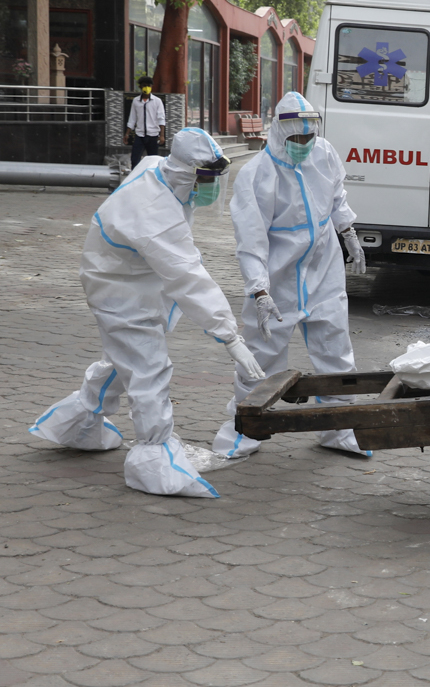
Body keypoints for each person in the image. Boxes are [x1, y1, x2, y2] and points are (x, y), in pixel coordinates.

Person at [32, 129, 265, 498]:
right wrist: (230, 337)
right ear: (186, 173)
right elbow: (190, 278)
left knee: (121, 360)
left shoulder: (159, 167)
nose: (211, 188)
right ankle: (154, 461)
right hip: (118, 289)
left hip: (127, 276)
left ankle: (77, 424)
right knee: (148, 367)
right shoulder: (155, 212)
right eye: (205, 179)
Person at [212, 92, 370, 458]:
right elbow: (251, 240)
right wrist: (259, 290)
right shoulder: (257, 174)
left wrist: (347, 232)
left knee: (336, 349)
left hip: (323, 268)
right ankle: (246, 427)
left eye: (308, 138)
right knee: (262, 355)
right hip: (278, 275)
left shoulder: (324, 154)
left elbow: (336, 198)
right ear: (279, 133)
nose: (303, 145)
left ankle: (339, 427)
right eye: (296, 139)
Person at [124, 76, 166, 168]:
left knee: (153, 161)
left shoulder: (157, 101)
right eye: (144, 85)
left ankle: (152, 179)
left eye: (149, 85)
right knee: (135, 159)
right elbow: (132, 118)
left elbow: (161, 119)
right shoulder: (136, 101)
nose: (146, 88)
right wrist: (127, 134)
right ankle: (135, 179)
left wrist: (162, 135)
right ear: (140, 87)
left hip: (153, 136)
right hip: (140, 135)